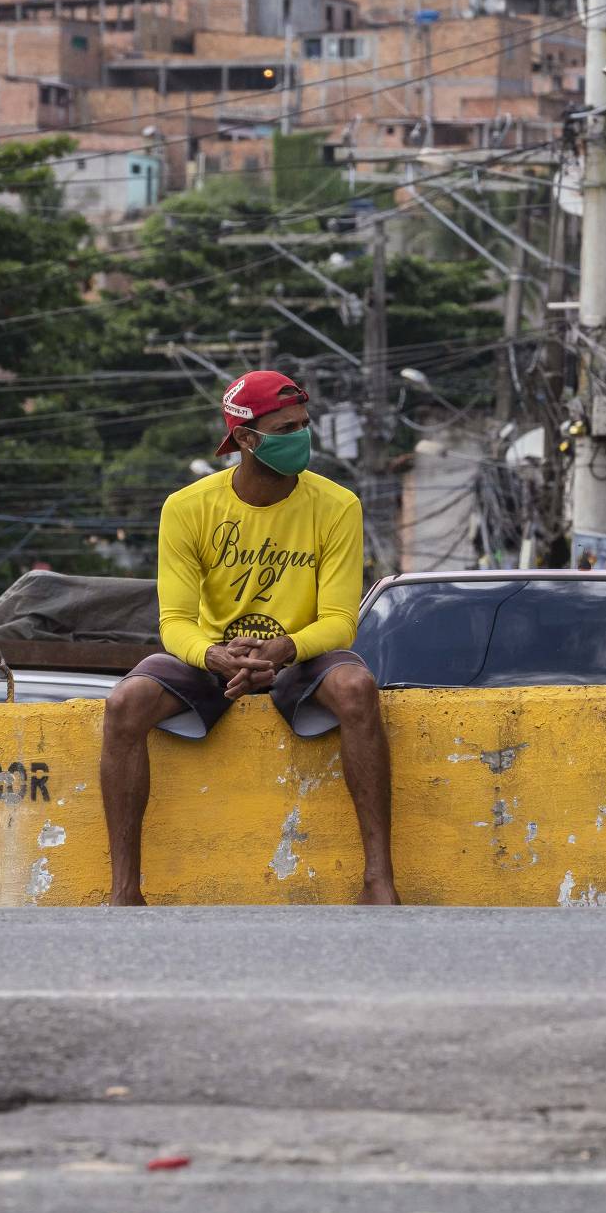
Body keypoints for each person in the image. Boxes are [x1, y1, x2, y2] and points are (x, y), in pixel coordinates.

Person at [99, 370, 399, 906]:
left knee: (356, 688)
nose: (302, 437)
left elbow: (338, 620)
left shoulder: (337, 505)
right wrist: (212, 655)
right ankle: (125, 891)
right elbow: (175, 623)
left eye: (305, 425)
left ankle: (379, 880)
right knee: (125, 702)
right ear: (244, 439)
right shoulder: (187, 508)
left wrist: (285, 649)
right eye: (286, 428)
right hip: (213, 659)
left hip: (300, 654)